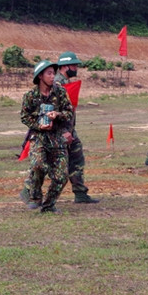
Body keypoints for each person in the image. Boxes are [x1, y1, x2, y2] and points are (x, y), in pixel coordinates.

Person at [19, 60, 74, 213]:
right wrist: (38, 125)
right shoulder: (30, 96)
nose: (52, 77)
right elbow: (24, 117)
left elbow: (69, 113)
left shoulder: (60, 92)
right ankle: (35, 195)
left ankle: (49, 205)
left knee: (62, 176)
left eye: (53, 73)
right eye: (49, 73)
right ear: (40, 76)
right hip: (39, 137)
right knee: (38, 165)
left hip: (57, 137)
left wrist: (57, 115)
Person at [53, 51, 98, 204]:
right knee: (51, 163)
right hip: (59, 130)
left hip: (69, 129)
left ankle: (80, 193)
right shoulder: (58, 84)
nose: (76, 68)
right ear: (65, 66)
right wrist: (64, 130)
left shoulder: (65, 82)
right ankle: (32, 192)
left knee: (77, 158)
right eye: (74, 65)